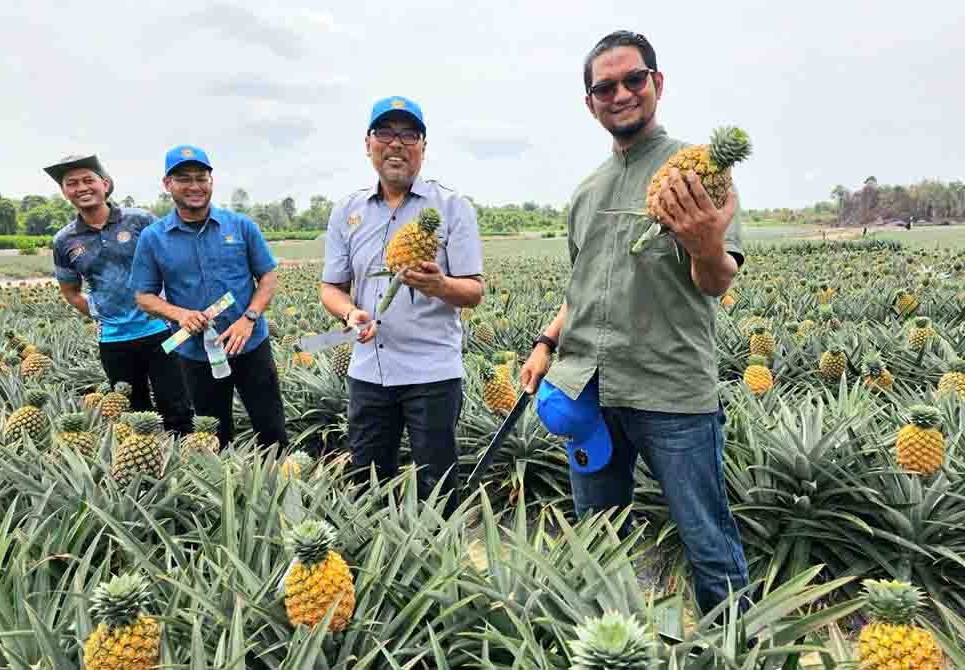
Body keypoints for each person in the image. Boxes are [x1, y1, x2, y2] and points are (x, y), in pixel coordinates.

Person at [519, 31, 750, 616]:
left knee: (708, 543)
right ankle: (609, 642)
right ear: (590, 101)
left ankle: (735, 647)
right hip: (588, 394)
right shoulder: (586, 191)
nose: (620, 94)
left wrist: (704, 244)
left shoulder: (701, 173)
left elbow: (717, 282)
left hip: (670, 391)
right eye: (605, 87)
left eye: (633, 80)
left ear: (657, 83)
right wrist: (547, 340)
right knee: (596, 540)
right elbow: (583, 290)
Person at [319, 96, 484, 515]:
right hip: (367, 372)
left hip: (432, 372)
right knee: (368, 486)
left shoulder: (452, 207)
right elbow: (331, 288)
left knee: (438, 489)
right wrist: (348, 313)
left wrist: (439, 284)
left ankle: (442, 566)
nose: (397, 143)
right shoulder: (347, 211)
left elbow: (474, 291)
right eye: (385, 133)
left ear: (423, 146)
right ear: (369, 144)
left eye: (409, 134)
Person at [129, 145, 288, 452]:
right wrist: (179, 315)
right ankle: (226, 489)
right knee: (213, 431)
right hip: (195, 353)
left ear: (211, 181)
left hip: (250, 344)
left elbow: (267, 277)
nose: (194, 186)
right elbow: (144, 296)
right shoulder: (153, 237)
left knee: (271, 425)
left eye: (201, 178)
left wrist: (249, 318)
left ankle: (282, 484)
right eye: (184, 179)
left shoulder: (241, 225)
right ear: (167, 184)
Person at [46, 153, 193, 435]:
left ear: (105, 184)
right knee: (134, 412)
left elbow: (174, 260)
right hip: (114, 340)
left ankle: (186, 467)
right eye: (72, 183)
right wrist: (103, 315)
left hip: (161, 330)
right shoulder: (64, 240)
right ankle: (150, 472)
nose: (82, 188)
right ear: (65, 192)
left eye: (88, 180)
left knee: (177, 404)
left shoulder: (139, 220)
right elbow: (71, 291)